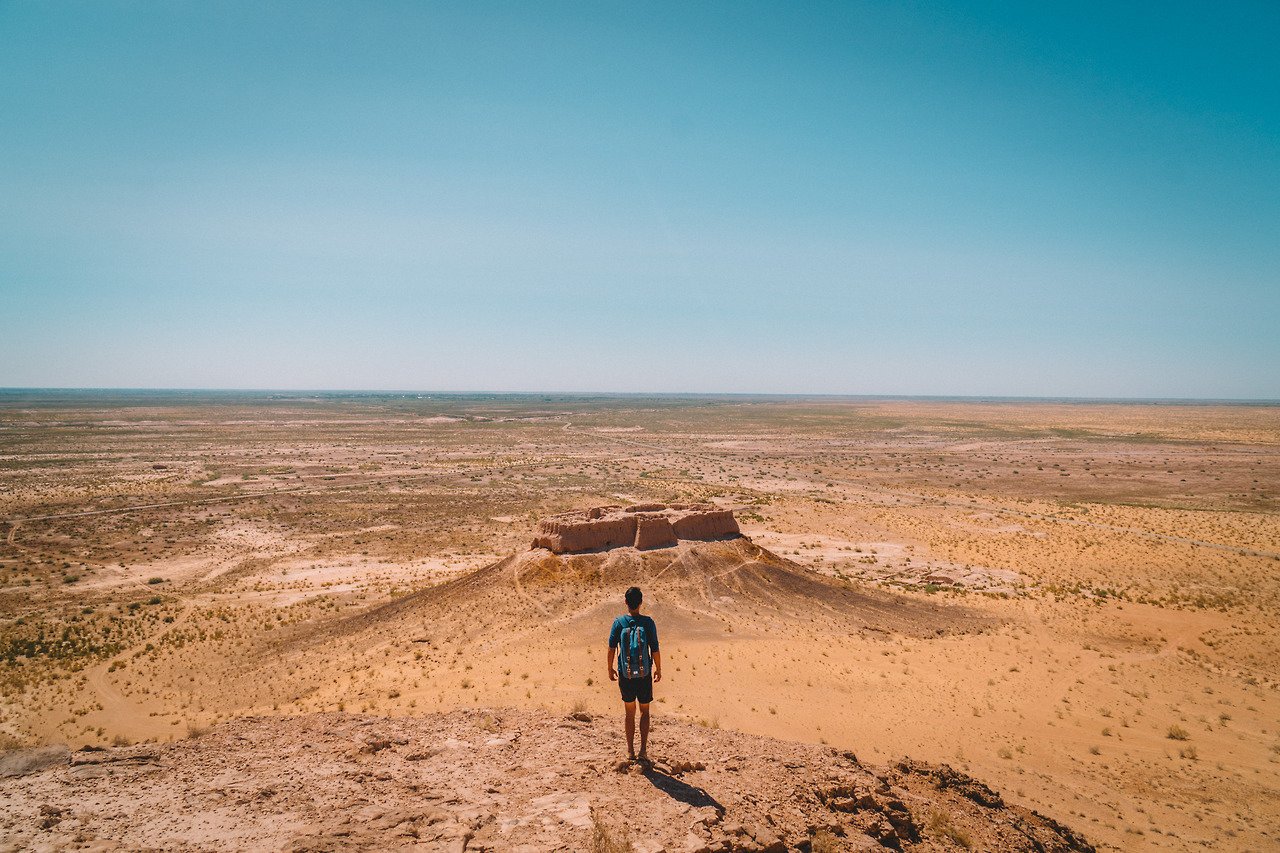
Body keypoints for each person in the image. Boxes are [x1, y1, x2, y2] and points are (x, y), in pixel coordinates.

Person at [607, 586, 662, 762]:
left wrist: (610, 668)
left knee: (629, 713)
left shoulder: (619, 623)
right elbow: (654, 649)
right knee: (645, 712)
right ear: (640, 602)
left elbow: (611, 648)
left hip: (626, 675)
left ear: (626, 602)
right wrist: (658, 669)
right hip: (644, 676)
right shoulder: (648, 623)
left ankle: (630, 751)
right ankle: (643, 750)